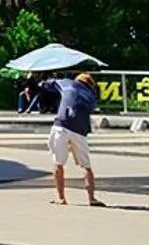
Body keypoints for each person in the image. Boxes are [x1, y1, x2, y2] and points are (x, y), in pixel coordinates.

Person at [44, 72, 105, 207]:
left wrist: (51, 77)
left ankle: (61, 198)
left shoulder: (66, 83)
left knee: (58, 164)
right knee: (86, 166)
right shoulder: (91, 97)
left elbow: (48, 85)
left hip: (62, 125)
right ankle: (92, 198)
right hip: (80, 130)